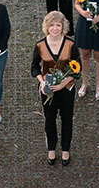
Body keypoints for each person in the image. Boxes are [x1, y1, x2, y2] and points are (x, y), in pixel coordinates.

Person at [32, 12, 79, 166]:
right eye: (52, 25)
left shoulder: (70, 44)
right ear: (47, 27)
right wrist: (42, 82)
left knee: (67, 118)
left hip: (66, 88)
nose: (55, 28)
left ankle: (65, 149)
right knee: (49, 119)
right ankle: (51, 148)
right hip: (48, 88)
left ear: (63, 26)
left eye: (58, 25)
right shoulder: (40, 45)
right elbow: (35, 67)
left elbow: (77, 69)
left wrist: (62, 84)